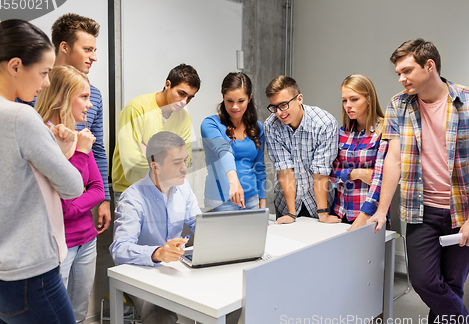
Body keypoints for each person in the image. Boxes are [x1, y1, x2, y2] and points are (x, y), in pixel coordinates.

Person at [368, 39, 469, 324]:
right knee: (424, 282)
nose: (401, 78)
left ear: (429, 66)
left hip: (464, 211)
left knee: (452, 284)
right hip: (420, 210)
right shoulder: (398, 104)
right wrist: (382, 209)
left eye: (407, 71)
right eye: (399, 73)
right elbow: (393, 160)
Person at [0, 19, 83, 324]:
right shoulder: (21, 117)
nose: (45, 83)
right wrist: (66, 151)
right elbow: (72, 186)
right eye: (43, 73)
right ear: (15, 66)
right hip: (30, 274)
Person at [35, 65, 105, 324]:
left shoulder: (80, 138)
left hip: (86, 240)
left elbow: (97, 190)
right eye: (84, 97)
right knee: (54, 321)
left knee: (77, 315)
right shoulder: (42, 136)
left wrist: (72, 206)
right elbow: (63, 203)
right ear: (62, 96)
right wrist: (81, 153)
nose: (90, 105)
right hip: (56, 247)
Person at [110, 131, 201, 324]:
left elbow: (200, 224)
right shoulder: (132, 199)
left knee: (230, 299)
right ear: (155, 166)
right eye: (177, 163)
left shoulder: (183, 189)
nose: (185, 169)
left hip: (175, 268)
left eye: (185, 161)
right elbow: (119, 249)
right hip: (143, 273)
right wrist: (157, 252)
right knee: (162, 319)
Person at [51, 13, 111, 235]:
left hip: (81, 208)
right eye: (87, 49)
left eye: (94, 50)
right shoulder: (33, 89)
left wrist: (104, 197)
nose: (94, 57)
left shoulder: (93, 95)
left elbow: (96, 149)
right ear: (64, 47)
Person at [112, 64, 201, 204]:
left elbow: (186, 160)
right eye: (181, 93)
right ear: (167, 85)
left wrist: (150, 153)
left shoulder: (184, 118)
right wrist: (170, 159)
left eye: (190, 97)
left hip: (165, 192)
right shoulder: (136, 108)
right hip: (131, 189)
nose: (184, 102)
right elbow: (131, 159)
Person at [264, 75, 339, 224]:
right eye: (274, 107)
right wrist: (291, 214)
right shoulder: (271, 126)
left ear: (299, 99)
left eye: (283, 105)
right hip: (286, 203)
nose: (279, 112)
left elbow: (321, 172)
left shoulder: (325, 123)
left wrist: (323, 213)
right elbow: (284, 170)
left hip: (320, 201)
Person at [330, 74, 389, 231]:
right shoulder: (341, 133)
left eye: (354, 99)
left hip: (371, 215)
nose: (348, 105)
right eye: (344, 100)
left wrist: (364, 215)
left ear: (369, 99)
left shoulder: (384, 131)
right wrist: (356, 173)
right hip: (339, 213)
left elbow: (383, 179)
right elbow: (330, 174)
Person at [201, 72, 266, 211]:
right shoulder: (210, 124)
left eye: (240, 101)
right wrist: (234, 182)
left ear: (249, 98)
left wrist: (263, 204)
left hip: (251, 200)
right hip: (221, 200)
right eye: (229, 101)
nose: (235, 106)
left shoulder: (257, 127)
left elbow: (260, 167)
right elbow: (224, 150)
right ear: (223, 97)